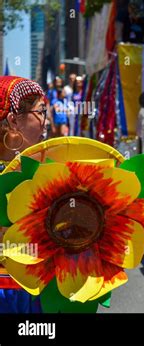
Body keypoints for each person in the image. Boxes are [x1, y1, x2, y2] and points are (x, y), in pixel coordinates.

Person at [0, 76, 47, 312]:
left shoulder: (46, 171)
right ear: (13, 121)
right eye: (41, 112)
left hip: (33, 294)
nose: (45, 122)